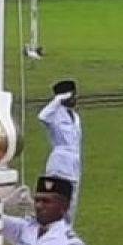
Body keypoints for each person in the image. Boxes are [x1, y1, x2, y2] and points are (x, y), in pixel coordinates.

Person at [39, 80, 82, 223]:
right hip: (59, 163)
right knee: (56, 200)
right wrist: (57, 100)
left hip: (74, 164)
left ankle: (67, 231)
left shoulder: (75, 117)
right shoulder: (54, 114)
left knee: (71, 202)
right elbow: (42, 116)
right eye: (73, 95)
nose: (76, 98)